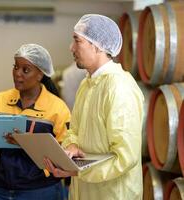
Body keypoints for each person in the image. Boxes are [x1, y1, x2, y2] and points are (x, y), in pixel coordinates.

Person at [44, 14, 144, 200]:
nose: (71, 48)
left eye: (77, 41)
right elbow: (74, 130)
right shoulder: (87, 84)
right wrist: (72, 145)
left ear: (97, 45)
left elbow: (125, 158)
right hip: (83, 192)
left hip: (113, 194)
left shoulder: (119, 88)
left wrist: (76, 172)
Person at [0, 43, 71, 200]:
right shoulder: (0, 100)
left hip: (40, 190)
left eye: (25, 70)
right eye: (15, 67)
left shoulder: (57, 108)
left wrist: (28, 143)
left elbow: (65, 155)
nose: (17, 74)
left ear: (40, 75)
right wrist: (0, 143)